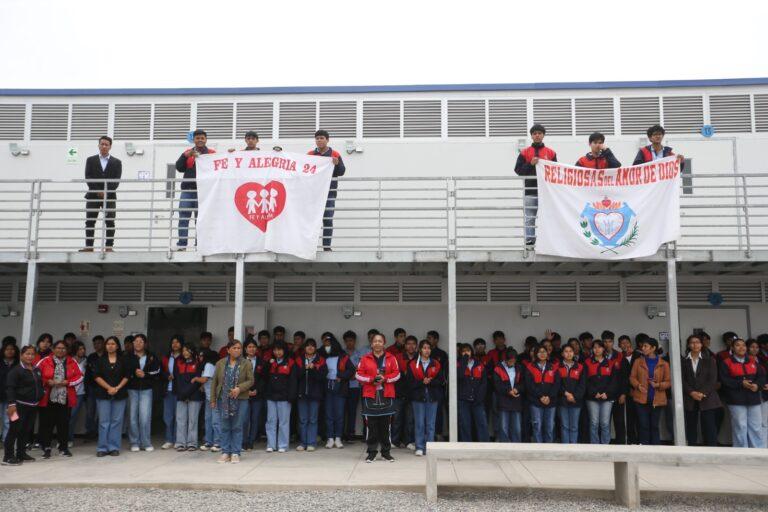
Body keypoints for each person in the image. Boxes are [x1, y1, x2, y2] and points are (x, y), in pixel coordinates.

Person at [356, 332, 400, 462]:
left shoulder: (391, 358)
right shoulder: (364, 358)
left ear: (384, 343)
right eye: (375, 341)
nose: (377, 343)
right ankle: (371, 452)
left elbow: (397, 375)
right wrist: (371, 380)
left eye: (380, 341)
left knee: (386, 426)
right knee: (372, 427)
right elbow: (358, 375)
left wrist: (385, 379)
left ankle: (386, 453)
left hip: (387, 394)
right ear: (371, 343)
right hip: (370, 395)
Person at [37, 340, 83, 458]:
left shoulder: (72, 361)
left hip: (65, 398)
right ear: (53, 349)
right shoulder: (45, 361)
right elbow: (35, 376)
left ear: (67, 350)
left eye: (63, 348)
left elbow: (80, 377)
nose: (61, 350)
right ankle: (46, 448)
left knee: (63, 424)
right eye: (58, 348)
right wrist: (47, 382)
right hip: (47, 398)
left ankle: (63, 448)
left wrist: (68, 382)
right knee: (46, 424)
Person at [210, 340, 254, 463]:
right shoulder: (220, 363)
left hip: (240, 399)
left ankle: (235, 452)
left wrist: (239, 388)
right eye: (234, 348)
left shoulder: (246, 363)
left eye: (239, 348)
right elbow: (214, 382)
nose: (237, 350)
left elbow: (251, 381)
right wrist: (213, 399)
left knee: (237, 426)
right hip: (222, 399)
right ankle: (225, 452)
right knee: (224, 426)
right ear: (228, 350)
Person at [514, 124, 557, 246]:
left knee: (548, 217)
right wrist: (530, 164)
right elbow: (518, 170)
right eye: (535, 133)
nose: (537, 135)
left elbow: (555, 172)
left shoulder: (551, 153)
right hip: (530, 190)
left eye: (539, 133)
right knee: (530, 217)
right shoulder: (525, 152)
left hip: (547, 191)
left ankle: (548, 241)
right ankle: (530, 241)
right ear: (531, 136)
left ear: (543, 135)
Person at [718, 338, 766, 448]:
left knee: (756, 427)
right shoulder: (727, 362)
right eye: (738, 345)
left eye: (743, 345)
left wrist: (757, 385)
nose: (741, 347)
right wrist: (741, 383)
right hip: (735, 400)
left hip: (753, 399)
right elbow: (724, 380)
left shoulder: (753, 361)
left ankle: (757, 452)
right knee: (740, 426)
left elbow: (762, 377)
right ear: (732, 348)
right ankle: (741, 452)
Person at [175, 129, 216, 250]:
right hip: (188, 190)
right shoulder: (188, 153)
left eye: (202, 138)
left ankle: (200, 245)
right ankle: (182, 245)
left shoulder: (212, 153)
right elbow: (179, 168)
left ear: (206, 139)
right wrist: (184, 156)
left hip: (203, 192)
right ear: (194, 140)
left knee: (201, 219)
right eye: (197, 138)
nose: (200, 140)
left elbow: (218, 169)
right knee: (183, 217)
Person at [3, 346, 43, 466]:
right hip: (17, 406)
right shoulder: (16, 371)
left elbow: (39, 385)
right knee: (14, 430)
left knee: (25, 431)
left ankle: (21, 453)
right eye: (27, 354)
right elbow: (10, 388)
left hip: (32, 406)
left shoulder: (36, 369)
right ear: (21, 355)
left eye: (32, 354)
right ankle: (8, 457)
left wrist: (42, 393)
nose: (30, 356)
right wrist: (11, 404)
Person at [81, 136, 122, 252]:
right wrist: (98, 191)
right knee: (90, 221)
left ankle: (109, 247)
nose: (104, 146)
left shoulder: (117, 162)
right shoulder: (90, 160)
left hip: (109, 197)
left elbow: (116, 180)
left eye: (106, 145)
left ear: (110, 147)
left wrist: (105, 192)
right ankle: (89, 246)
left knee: (110, 221)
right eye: (102, 144)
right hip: (93, 195)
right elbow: (88, 177)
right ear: (98, 145)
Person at [308, 129, 346, 251]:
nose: (319, 140)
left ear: (327, 140)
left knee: (328, 219)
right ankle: (310, 247)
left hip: (329, 192)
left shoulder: (334, 154)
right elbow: (304, 170)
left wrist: (337, 164)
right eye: (317, 138)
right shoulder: (310, 154)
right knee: (312, 221)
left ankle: (326, 247)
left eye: (322, 138)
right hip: (313, 193)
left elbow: (341, 172)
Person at [681, 334, 722, 446]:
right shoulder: (683, 361)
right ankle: (692, 451)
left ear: (701, 344)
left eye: (698, 342)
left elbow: (712, 380)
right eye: (692, 342)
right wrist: (692, 392)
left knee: (710, 427)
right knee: (691, 427)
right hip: (690, 397)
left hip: (707, 397)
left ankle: (712, 451)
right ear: (688, 345)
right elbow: (682, 380)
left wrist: (702, 393)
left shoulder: (709, 360)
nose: (695, 345)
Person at [122, 333, 159, 452]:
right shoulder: (127, 356)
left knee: (145, 416)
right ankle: (134, 442)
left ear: (145, 344)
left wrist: (145, 374)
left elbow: (157, 371)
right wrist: (133, 374)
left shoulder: (151, 356)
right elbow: (123, 372)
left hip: (146, 389)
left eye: (141, 341)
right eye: (136, 341)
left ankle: (146, 442)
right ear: (132, 343)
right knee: (132, 417)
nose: (138, 343)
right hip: (131, 389)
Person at [630, 338, 671, 446]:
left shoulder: (664, 363)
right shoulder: (638, 361)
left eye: (645, 346)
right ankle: (644, 449)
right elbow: (632, 377)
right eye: (642, 346)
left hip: (657, 399)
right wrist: (638, 386)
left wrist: (658, 385)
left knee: (654, 426)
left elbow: (668, 382)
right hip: (640, 398)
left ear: (653, 348)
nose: (642, 348)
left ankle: (656, 449)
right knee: (643, 425)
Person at [93, 336, 129, 457]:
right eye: (108, 344)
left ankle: (114, 447)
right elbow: (97, 376)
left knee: (116, 422)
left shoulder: (123, 360)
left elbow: (127, 376)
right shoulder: (100, 360)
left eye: (113, 344)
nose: (110, 346)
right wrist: (109, 388)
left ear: (117, 346)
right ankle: (102, 448)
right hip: (103, 394)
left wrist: (117, 388)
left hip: (120, 393)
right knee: (104, 422)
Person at [407, 339, 443, 456]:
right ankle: (419, 447)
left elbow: (441, 380)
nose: (427, 350)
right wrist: (422, 382)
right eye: (424, 348)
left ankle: (430, 447)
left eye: (428, 348)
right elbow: (410, 383)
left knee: (431, 423)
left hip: (432, 396)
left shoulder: (436, 364)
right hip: (418, 397)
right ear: (420, 350)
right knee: (419, 423)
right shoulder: (412, 364)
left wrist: (430, 381)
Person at [264, 341, 296, 453]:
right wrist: (268, 364)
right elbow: (264, 376)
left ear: (284, 350)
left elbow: (293, 382)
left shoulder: (291, 363)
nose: (277, 352)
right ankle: (271, 445)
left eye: (280, 349)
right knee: (270, 421)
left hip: (284, 397)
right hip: (271, 396)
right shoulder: (270, 362)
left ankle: (283, 445)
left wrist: (291, 396)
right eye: (275, 350)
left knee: (283, 422)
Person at [584, 340, 618, 444]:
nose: (597, 349)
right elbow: (585, 381)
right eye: (594, 347)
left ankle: (605, 445)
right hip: (592, 398)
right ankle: (594, 445)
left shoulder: (611, 363)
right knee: (594, 422)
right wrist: (594, 393)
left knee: (604, 423)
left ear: (603, 349)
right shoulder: (587, 362)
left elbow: (614, 381)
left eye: (599, 347)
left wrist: (607, 393)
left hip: (607, 397)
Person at [323, 335, 353, 449]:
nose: (326, 347)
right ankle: (330, 438)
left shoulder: (343, 357)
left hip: (340, 387)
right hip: (327, 387)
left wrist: (340, 376)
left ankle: (338, 438)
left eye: (328, 345)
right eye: (325, 345)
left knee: (339, 414)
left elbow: (351, 370)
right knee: (329, 414)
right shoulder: (323, 357)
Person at [295, 338, 326, 451]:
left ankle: (311, 443)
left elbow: (322, 376)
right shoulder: (298, 360)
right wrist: (305, 368)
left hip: (315, 394)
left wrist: (313, 369)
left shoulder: (321, 360)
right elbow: (296, 376)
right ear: (304, 348)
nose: (310, 347)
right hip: (301, 394)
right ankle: (303, 443)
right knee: (303, 420)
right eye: (308, 345)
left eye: (312, 345)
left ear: (315, 348)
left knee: (313, 419)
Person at [525, 344, 560, 443]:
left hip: (551, 401)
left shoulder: (553, 367)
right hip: (535, 401)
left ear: (547, 353)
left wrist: (549, 397)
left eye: (544, 351)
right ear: (536, 354)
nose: (542, 354)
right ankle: (538, 449)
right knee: (537, 426)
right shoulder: (530, 367)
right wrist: (541, 396)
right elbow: (529, 385)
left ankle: (548, 449)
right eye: (539, 352)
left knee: (549, 426)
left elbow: (557, 384)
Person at [173, 344, 205, 451]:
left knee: (193, 421)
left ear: (192, 351)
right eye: (183, 350)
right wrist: (182, 395)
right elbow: (177, 380)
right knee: (181, 420)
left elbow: (196, 382)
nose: (185, 352)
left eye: (187, 350)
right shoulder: (179, 363)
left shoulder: (198, 364)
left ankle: (192, 443)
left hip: (194, 396)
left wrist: (187, 394)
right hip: (181, 395)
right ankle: (180, 443)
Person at [457, 343, 489, 442]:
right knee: (465, 424)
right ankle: (466, 445)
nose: (466, 353)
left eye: (468, 351)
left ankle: (484, 445)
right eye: (463, 351)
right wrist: (464, 361)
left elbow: (484, 383)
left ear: (472, 352)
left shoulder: (479, 364)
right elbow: (459, 376)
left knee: (482, 423)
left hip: (477, 400)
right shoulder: (457, 364)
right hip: (463, 399)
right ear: (460, 353)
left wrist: (479, 397)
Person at [492, 347, 524, 443]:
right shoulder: (498, 368)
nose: (512, 363)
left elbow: (523, 383)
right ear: (505, 360)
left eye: (514, 361)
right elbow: (496, 384)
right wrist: (508, 391)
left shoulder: (519, 367)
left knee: (517, 427)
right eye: (510, 361)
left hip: (516, 400)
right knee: (503, 426)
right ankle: (504, 447)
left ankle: (517, 446)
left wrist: (517, 389)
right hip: (503, 400)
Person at [557, 345, 586, 444]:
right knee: (564, 425)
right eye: (566, 351)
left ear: (574, 353)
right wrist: (566, 394)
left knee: (574, 426)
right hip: (562, 400)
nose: (568, 353)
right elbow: (556, 384)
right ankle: (565, 448)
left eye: (570, 351)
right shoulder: (557, 367)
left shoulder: (580, 367)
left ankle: (573, 447)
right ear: (562, 353)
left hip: (576, 401)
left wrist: (574, 396)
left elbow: (582, 385)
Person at [342, 330, 366, 442]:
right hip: (343, 386)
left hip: (355, 386)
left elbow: (361, 368)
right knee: (341, 411)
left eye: (351, 340)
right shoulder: (341, 353)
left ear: (355, 341)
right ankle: (341, 434)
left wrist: (354, 375)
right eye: (347, 341)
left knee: (352, 411)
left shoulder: (359, 353)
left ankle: (351, 434)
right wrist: (348, 375)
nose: (349, 343)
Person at [395, 335, 418, 450]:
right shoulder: (398, 357)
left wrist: (407, 374)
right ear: (405, 345)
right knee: (396, 418)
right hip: (398, 392)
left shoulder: (419, 358)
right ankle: (395, 441)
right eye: (408, 343)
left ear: (416, 346)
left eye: (413, 344)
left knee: (410, 419)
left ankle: (408, 441)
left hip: (413, 394)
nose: (411, 346)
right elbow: (395, 373)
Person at [160, 335, 184, 450]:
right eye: (173, 342)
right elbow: (161, 372)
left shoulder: (184, 357)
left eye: (177, 342)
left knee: (178, 417)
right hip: (168, 390)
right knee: (168, 417)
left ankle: (177, 439)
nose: (175, 344)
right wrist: (166, 376)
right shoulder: (166, 357)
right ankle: (169, 439)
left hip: (179, 391)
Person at [242, 339, 264, 451]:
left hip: (257, 395)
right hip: (244, 395)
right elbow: (238, 379)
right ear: (245, 349)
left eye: (254, 347)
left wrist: (257, 390)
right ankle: (244, 441)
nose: (252, 349)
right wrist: (246, 390)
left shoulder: (261, 361)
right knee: (245, 419)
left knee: (255, 419)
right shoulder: (240, 361)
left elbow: (264, 379)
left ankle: (251, 441)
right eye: (249, 347)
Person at [427, 330, 448, 440]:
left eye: (430, 338)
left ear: (436, 340)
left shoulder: (442, 354)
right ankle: (428, 435)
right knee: (426, 411)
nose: (428, 340)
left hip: (438, 387)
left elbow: (445, 372)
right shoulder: (424, 353)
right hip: (426, 386)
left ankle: (438, 433)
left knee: (438, 411)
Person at [83, 335, 105, 439]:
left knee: (102, 413)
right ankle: (90, 432)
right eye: (95, 343)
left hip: (104, 388)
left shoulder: (108, 356)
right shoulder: (91, 357)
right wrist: (86, 388)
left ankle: (99, 432)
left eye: (99, 343)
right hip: (92, 387)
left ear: (103, 344)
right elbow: (87, 374)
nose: (97, 345)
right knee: (90, 412)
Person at [199, 350, 221, 452]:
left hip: (213, 397)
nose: (200, 357)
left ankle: (217, 442)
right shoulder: (212, 365)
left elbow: (204, 379)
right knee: (209, 420)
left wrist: (195, 379)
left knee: (214, 420)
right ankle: (209, 441)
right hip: (209, 396)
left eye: (201, 355)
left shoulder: (208, 365)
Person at [1, 343, 20, 443]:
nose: (9, 351)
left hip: (12, 398)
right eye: (7, 349)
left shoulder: (18, 364)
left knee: (9, 421)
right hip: (0, 395)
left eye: (12, 349)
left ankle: (6, 441)